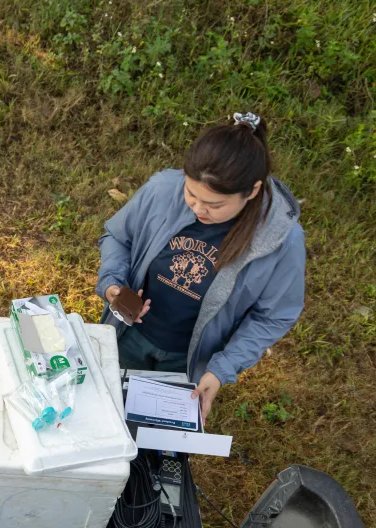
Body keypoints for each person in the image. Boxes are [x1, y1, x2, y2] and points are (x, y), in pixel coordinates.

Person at [96, 112, 305, 419]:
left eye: (215, 204)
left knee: (155, 440)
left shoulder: (282, 241)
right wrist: (113, 285)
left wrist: (222, 369)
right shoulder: (162, 189)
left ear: (253, 190)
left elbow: (274, 315)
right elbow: (117, 235)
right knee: (105, 413)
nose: (197, 208)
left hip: (188, 361)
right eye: (191, 193)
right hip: (127, 336)